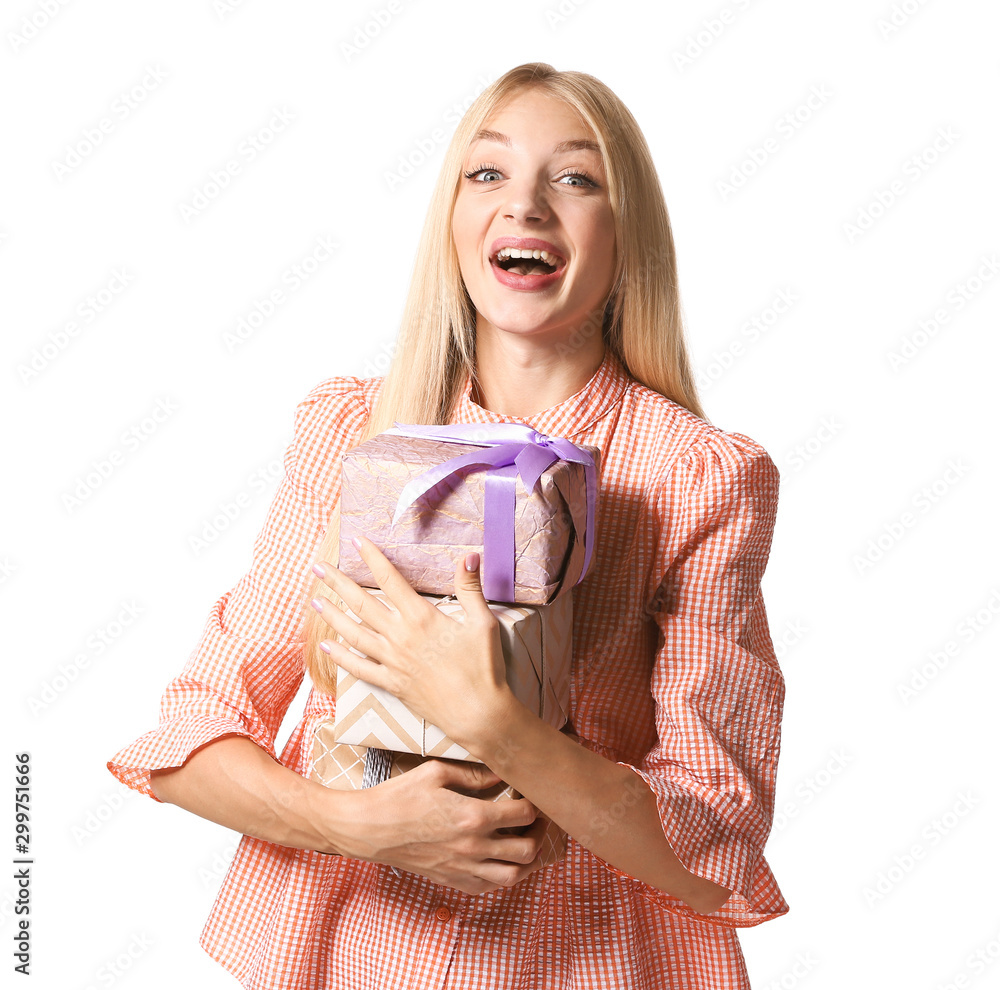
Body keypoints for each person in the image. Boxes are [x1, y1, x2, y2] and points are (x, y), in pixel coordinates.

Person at [108, 62, 788, 989]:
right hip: (347, 956)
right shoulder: (352, 432)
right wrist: (357, 825)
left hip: (580, 965)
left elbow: (717, 844)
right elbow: (189, 736)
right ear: (454, 221)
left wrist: (495, 725)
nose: (527, 206)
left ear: (626, 237)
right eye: (489, 174)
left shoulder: (698, 478)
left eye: (577, 178)